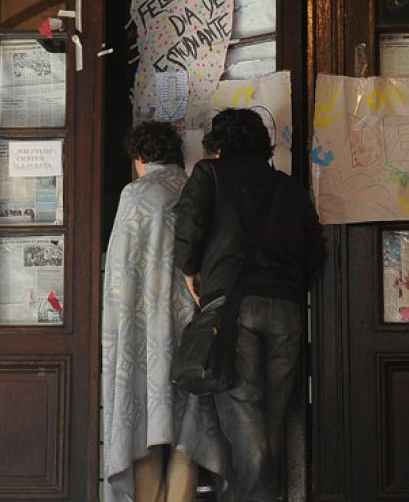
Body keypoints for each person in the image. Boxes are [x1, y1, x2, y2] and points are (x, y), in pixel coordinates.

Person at [174, 109, 325, 501]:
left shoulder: (210, 175)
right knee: (273, 416)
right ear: (264, 145)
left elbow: (189, 226)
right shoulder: (289, 188)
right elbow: (315, 249)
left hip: (234, 308)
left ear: (217, 145)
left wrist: (190, 270)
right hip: (287, 310)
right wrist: (292, 286)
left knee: (244, 414)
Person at [103, 122, 230, 502]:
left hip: (142, 330)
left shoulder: (136, 195)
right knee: (187, 428)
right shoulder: (196, 190)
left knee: (142, 423)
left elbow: (120, 273)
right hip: (191, 327)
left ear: (139, 158)